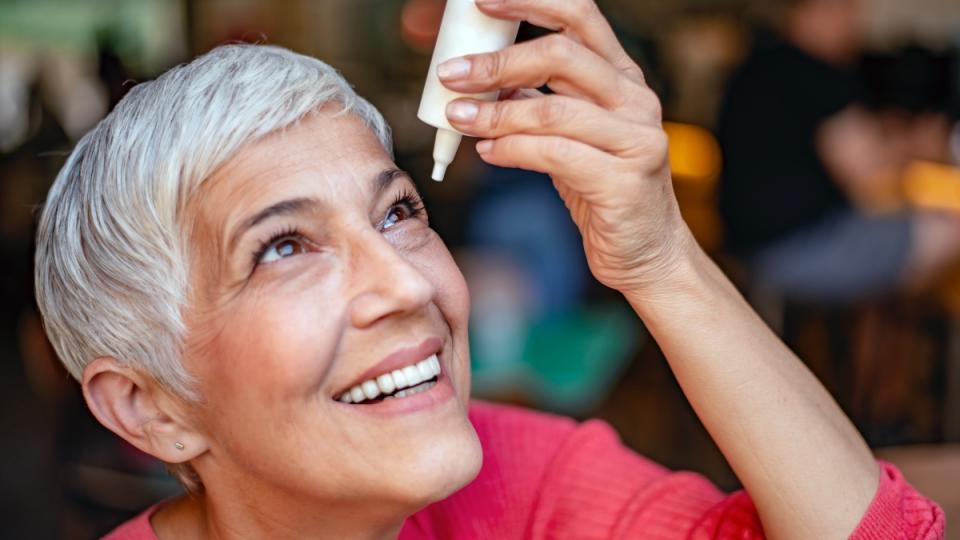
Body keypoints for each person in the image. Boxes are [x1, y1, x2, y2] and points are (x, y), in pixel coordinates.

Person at [34, 0, 942, 538]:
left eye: (398, 213)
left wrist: (663, 263)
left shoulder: (522, 477)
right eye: (282, 248)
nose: (409, 282)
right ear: (150, 407)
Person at [718, 0, 960, 302]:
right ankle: (885, 341)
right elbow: (870, 178)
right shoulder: (813, 71)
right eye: (848, 11)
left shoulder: (755, 64)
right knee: (950, 227)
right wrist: (920, 145)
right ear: (821, 9)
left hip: (744, 247)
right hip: (794, 250)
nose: (856, 24)